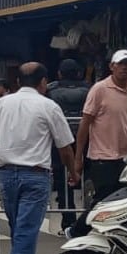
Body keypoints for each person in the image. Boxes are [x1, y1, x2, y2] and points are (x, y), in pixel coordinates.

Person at [0, 63, 80, 254]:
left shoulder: (2, 104)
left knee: (19, 231)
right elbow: (65, 147)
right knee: (24, 232)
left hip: (6, 175)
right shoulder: (48, 106)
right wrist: (74, 172)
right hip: (35, 175)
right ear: (43, 82)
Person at [72, 49, 127, 234]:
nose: (124, 68)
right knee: (103, 201)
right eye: (120, 64)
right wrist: (78, 158)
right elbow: (85, 123)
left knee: (126, 203)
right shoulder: (99, 89)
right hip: (103, 156)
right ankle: (78, 230)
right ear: (112, 66)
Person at [47, 58, 90, 233]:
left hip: (59, 140)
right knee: (88, 176)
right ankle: (88, 221)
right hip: (85, 138)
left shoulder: (50, 90)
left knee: (62, 178)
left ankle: (68, 221)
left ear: (59, 73)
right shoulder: (89, 90)